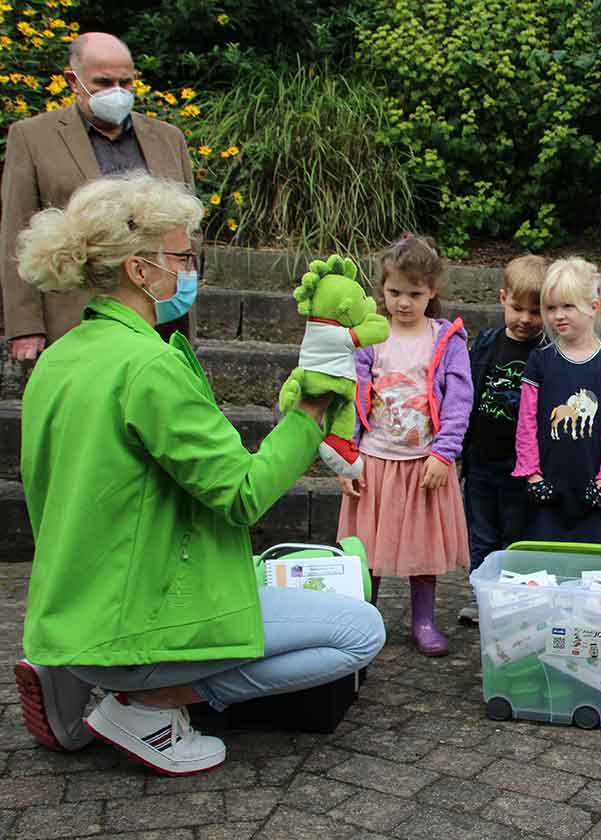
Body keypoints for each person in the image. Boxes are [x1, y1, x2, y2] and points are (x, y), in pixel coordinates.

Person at [11, 173, 384, 776]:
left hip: (75, 607)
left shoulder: (59, 357)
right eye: (184, 256)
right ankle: (141, 704)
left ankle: (74, 674)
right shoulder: (148, 365)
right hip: (139, 622)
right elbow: (242, 494)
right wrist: (313, 412)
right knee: (359, 632)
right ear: (140, 269)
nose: (191, 270)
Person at [1, 32, 195, 360]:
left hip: (158, 317)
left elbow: (190, 227)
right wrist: (25, 325)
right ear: (73, 81)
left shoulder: (168, 138)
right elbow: (17, 234)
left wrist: (183, 288)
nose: (117, 92)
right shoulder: (32, 137)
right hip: (73, 316)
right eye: (104, 83)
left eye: (126, 82)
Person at [336, 234, 471, 657]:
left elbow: (459, 399)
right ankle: (365, 616)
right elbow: (349, 398)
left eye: (415, 293)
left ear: (433, 290)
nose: (404, 302)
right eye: (395, 292)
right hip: (375, 461)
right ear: (382, 288)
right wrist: (346, 459)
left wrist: (443, 453)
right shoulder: (370, 336)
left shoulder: (445, 338)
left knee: (424, 551)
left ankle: (424, 620)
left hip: (423, 464)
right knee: (367, 549)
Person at [458, 254, 548, 625]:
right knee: (481, 533)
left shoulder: (548, 354)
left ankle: (512, 598)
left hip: (520, 467)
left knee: (516, 534)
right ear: (502, 299)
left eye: (535, 310)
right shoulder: (486, 344)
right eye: (517, 308)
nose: (525, 319)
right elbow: (464, 393)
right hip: (480, 459)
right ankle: (481, 597)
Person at [514, 257, 601, 543]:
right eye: (551, 307)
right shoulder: (539, 362)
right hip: (548, 486)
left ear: (593, 307)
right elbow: (526, 421)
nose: (557, 316)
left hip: (593, 486)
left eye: (568, 306)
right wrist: (532, 474)